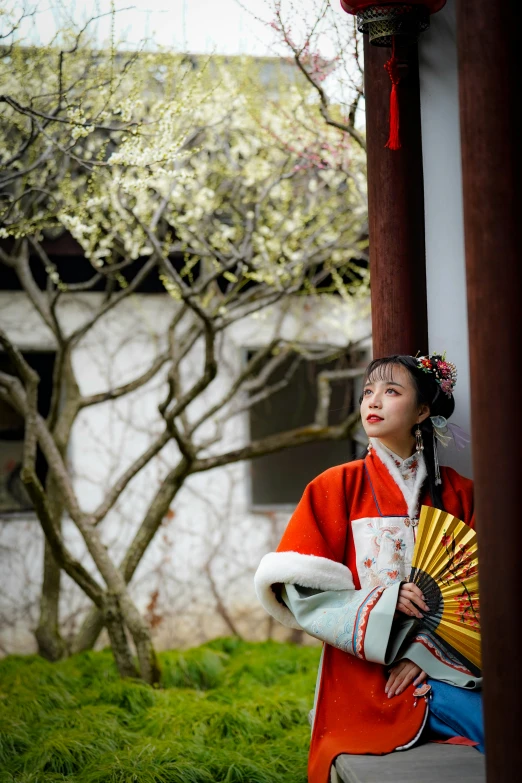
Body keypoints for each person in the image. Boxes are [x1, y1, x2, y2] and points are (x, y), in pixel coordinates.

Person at [254, 353, 484, 783]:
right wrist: (382, 600)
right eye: (368, 392)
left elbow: (483, 587)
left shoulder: (460, 493)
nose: (373, 402)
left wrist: (428, 655)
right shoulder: (334, 487)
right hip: (364, 679)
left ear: (422, 411)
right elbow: (300, 589)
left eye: (391, 392)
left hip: (453, 669)